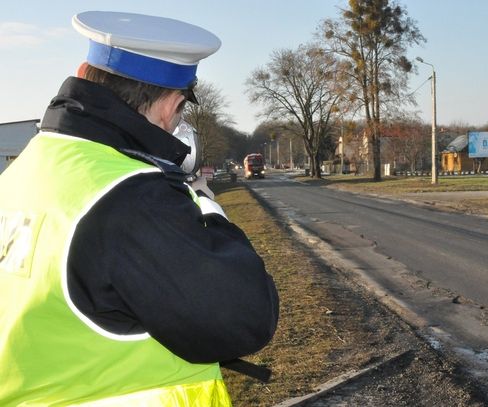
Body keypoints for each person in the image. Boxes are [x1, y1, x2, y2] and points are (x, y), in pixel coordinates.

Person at [0, 11, 279, 406]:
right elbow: (246, 319)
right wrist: (208, 207)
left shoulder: (24, 172)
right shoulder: (134, 196)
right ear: (172, 106)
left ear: (84, 71)